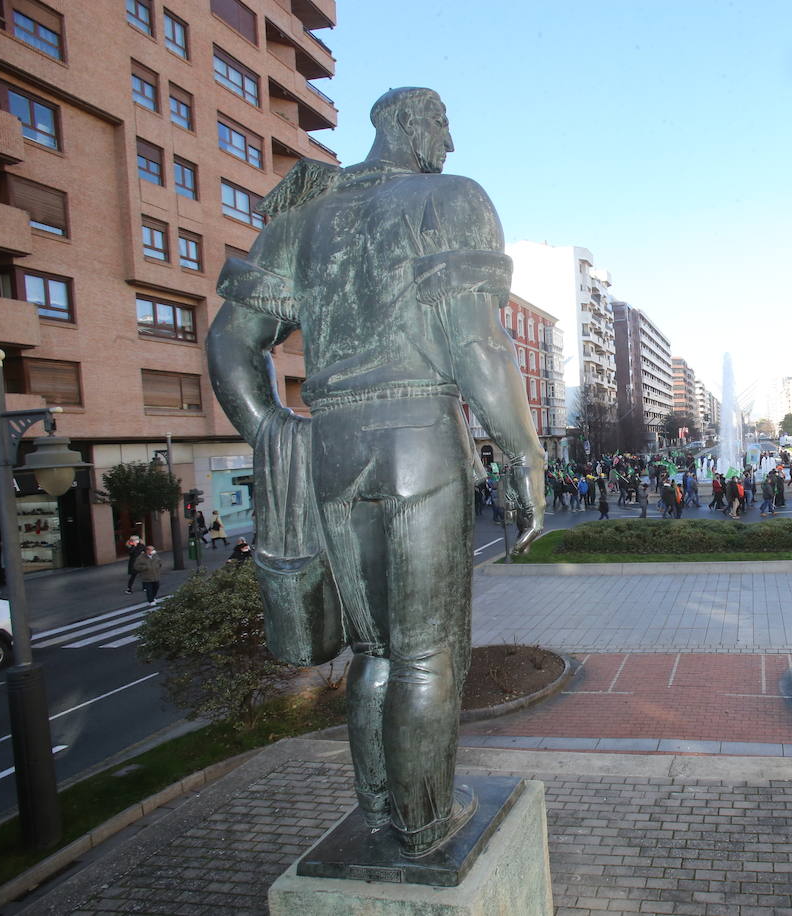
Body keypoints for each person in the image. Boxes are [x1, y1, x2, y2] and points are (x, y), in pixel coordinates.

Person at [207, 88, 545, 859]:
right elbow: (479, 342)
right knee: (428, 648)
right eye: (442, 124)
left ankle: (382, 810)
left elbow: (231, 342)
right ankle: (427, 824)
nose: (450, 143)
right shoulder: (448, 199)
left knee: (378, 652)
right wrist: (524, 454)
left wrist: (271, 431)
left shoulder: (302, 219)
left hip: (329, 446)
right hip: (417, 435)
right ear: (408, 123)